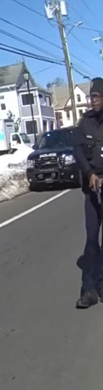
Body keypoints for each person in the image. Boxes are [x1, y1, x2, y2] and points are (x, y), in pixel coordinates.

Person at [73, 78, 103, 309]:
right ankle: (89, 289)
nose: (93, 101)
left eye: (97, 97)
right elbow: (79, 152)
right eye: (91, 97)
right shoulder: (84, 123)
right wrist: (89, 174)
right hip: (92, 191)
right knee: (91, 240)